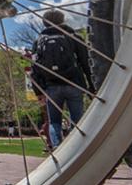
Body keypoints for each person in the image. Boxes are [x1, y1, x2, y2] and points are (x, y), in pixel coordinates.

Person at [31, 10, 93, 149]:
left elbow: (35, 68)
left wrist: (38, 91)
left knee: (54, 122)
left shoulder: (39, 41)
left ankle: (58, 149)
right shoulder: (73, 36)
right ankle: (76, 149)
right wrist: (91, 86)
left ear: (44, 22)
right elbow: (85, 62)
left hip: (51, 87)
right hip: (74, 83)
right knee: (77, 120)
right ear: (63, 20)